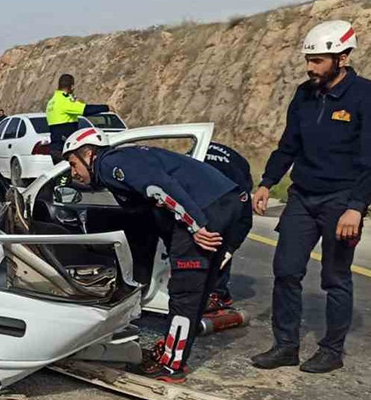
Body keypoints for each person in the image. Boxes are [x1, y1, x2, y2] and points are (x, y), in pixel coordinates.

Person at [250, 20, 371, 374]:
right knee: (285, 271)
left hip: (342, 200)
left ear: (342, 57)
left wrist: (356, 208)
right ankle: (285, 346)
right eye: (309, 60)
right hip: (303, 196)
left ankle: (332, 350)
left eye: (319, 60)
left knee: (335, 277)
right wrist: (267, 182)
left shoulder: (370, 97)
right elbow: (289, 145)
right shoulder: (304, 93)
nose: (311, 68)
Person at [63, 127, 244, 383]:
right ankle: (174, 355)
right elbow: (146, 202)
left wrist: (197, 226)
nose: (73, 173)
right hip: (227, 201)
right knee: (198, 290)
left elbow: (160, 188)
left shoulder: (110, 164)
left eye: (73, 164)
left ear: (88, 154)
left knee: (184, 293)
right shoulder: (128, 159)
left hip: (204, 209)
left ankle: (171, 366)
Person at [202, 141, 254, 311]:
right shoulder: (183, 177)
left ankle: (218, 293)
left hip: (234, 170)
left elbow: (244, 221)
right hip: (201, 174)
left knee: (220, 242)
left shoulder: (237, 188)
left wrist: (229, 250)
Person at [45, 74, 110, 164]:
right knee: (72, 174)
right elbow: (86, 110)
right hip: (65, 147)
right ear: (71, 86)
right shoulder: (63, 101)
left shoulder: (52, 101)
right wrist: (106, 107)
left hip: (56, 147)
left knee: (62, 176)